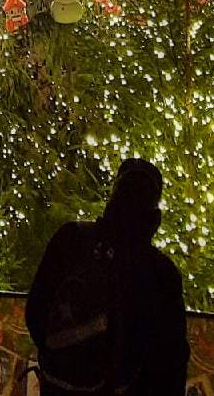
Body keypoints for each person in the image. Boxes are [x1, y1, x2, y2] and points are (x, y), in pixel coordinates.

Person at [25, 157, 189, 396]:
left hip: (60, 387)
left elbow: (35, 311)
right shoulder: (161, 273)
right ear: (154, 217)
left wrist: (59, 364)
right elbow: (171, 361)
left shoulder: (71, 239)